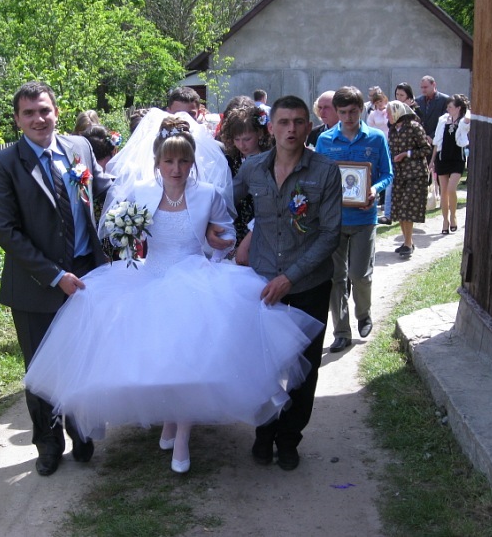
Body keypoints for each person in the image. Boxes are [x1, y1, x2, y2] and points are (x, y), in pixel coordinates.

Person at [24, 112, 324, 474]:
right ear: (157, 162)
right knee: (161, 362)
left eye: (183, 161)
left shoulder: (208, 194)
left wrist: (218, 243)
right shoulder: (141, 191)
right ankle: (169, 418)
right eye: (169, 161)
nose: (176, 169)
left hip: (195, 277)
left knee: (190, 363)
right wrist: (127, 235)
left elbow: (226, 234)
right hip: (150, 277)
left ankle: (182, 434)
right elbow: (119, 232)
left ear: (192, 162)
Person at [0, 81, 115, 477]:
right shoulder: (4, 164)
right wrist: (55, 276)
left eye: (44, 110)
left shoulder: (79, 148)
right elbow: (7, 231)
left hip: (87, 276)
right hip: (36, 285)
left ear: (56, 112)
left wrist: (147, 194)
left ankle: (81, 430)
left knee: (84, 360)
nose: (38, 119)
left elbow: (102, 188)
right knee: (42, 369)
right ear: (17, 120)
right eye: (29, 113)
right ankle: (48, 443)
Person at [211, 95, 342, 471]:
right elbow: (223, 202)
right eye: (283, 122)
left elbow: (330, 234)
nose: (291, 129)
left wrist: (290, 277)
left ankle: (288, 439)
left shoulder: (325, 171)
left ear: (308, 127)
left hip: (308, 285)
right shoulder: (253, 168)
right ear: (271, 128)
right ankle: (264, 432)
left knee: (304, 368)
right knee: (263, 366)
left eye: (299, 122)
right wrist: (205, 223)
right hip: (262, 285)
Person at [315, 86, 393, 353]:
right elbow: (318, 177)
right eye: (343, 112)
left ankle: (364, 314)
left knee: (360, 274)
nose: (348, 117)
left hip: (363, 218)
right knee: (335, 277)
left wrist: (374, 189)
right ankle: (341, 332)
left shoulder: (376, 138)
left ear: (361, 110)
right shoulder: (325, 140)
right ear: (336, 112)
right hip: (333, 220)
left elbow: (387, 174)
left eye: (353, 112)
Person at [218, 105, 273, 250]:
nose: (242, 145)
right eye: (237, 139)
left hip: (262, 223)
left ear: (259, 133)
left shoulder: (270, 160)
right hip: (235, 223)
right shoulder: (229, 161)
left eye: (247, 139)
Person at [385, 100, 432, 257]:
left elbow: (426, 148)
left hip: (415, 174)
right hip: (399, 174)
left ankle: (407, 243)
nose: (387, 116)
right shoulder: (392, 130)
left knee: (407, 208)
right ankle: (407, 242)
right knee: (399, 209)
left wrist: (407, 154)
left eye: (389, 113)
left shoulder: (414, 127)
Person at [430, 94, 471, 234]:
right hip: (442, 158)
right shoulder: (442, 120)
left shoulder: (463, 121)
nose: (447, 109)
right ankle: (445, 220)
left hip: (457, 159)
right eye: (447, 107)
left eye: (450, 107)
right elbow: (436, 142)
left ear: (458, 108)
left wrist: (466, 109)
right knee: (444, 192)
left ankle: (453, 216)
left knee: (451, 189)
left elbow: (468, 119)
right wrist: (432, 161)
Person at [367, 91, 392, 224]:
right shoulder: (372, 114)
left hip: (391, 142)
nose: (380, 104)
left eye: (381, 101)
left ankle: (388, 210)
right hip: (379, 144)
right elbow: (370, 128)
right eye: (377, 102)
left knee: (389, 175)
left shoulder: (389, 110)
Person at [415, 76, 449, 141]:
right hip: (421, 140)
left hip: (438, 140)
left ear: (433, 85)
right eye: (422, 87)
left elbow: (445, 121)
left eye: (425, 87)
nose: (423, 90)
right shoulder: (418, 101)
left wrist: (432, 136)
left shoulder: (444, 100)